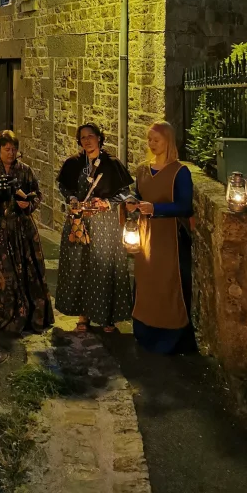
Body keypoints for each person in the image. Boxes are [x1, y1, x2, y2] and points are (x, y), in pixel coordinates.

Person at [0, 130, 54, 334]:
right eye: (7, 149)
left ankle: (25, 312)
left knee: (26, 271)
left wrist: (29, 203)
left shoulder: (24, 170)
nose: (11, 153)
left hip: (21, 227)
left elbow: (37, 193)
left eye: (14, 149)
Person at [124, 121, 196, 354]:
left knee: (168, 283)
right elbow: (139, 194)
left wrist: (156, 208)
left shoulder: (179, 172)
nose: (152, 144)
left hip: (170, 237)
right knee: (146, 283)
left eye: (157, 140)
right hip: (146, 235)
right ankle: (145, 331)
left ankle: (171, 337)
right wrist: (132, 202)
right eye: (149, 140)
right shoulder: (142, 170)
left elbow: (185, 206)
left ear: (168, 141)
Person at [55, 123, 133, 332]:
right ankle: (83, 316)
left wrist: (107, 203)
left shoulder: (111, 163)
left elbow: (125, 191)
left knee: (104, 267)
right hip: (80, 222)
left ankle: (107, 317)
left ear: (99, 138)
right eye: (83, 138)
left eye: (91, 136)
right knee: (80, 267)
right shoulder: (74, 163)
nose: (87, 140)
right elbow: (63, 185)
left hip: (104, 224)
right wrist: (72, 198)